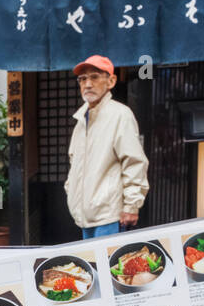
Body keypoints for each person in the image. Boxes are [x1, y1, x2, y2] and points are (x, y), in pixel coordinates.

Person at [64, 55, 149, 239]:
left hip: (110, 216)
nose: (87, 84)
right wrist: (70, 190)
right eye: (83, 79)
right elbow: (74, 163)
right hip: (84, 216)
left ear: (111, 81)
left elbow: (134, 162)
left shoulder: (120, 115)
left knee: (107, 266)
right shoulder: (81, 119)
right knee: (92, 266)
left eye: (94, 77)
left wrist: (131, 206)